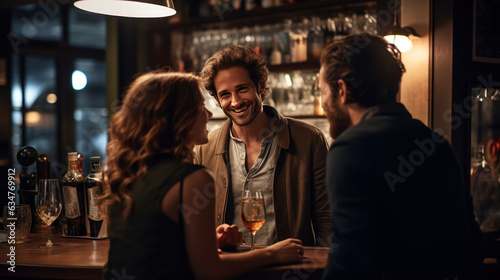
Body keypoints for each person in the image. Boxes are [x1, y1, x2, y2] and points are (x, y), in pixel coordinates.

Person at [101, 71, 304, 280]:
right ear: (178, 117)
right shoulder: (192, 178)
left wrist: (208, 242)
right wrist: (271, 253)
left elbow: (150, 245)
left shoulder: (127, 172)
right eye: (199, 106)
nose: (208, 113)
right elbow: (209, 271)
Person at [318, 34, 483, 279]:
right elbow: (470, 245)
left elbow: (351, 260)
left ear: (342, 90)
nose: (322, 102)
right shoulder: (436, 142)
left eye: (322, 91)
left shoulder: (350, 148)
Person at [195, 45, 332, 247]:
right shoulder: (204, 149)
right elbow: (196, 221)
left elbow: (326, 219)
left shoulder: (309, 140)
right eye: (225, 95)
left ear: (260, 85)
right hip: (228, 270)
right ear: (216, 99)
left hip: (288, 269)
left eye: (242, 89)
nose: (235, 102)